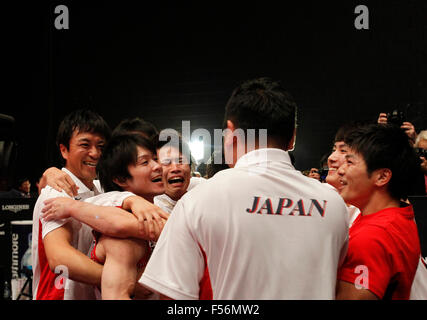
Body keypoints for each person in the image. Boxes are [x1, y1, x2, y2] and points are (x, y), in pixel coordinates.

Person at [139, 77, 349, 299]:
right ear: (292, 139)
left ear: (230, 134)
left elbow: (173, 299)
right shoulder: (334, 204)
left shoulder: (200, 200)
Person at [32, 110, 165, 300]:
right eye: (85, 145)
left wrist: (133, 200)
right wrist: (123, 281)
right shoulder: (57, 191)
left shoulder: (99, 189)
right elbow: (59, 258)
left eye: (101, 146)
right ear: (63, 150)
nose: (95, 153)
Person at [336, 124, 421, 300]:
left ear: (382, 177)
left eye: (350, 162)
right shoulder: (400, 215)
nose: (341, 170)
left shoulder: (372, 237)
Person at [154, 135, 206, 214]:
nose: (175, 168)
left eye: (180, 161)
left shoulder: (203, 188)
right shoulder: (150, 206)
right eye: (166, 162)